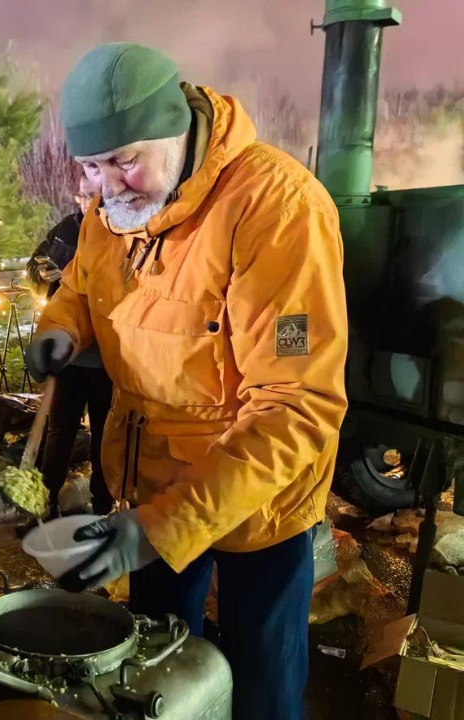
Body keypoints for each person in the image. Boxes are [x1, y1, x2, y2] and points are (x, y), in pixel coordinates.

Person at [26, 44, 347, 720]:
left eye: (126, 160)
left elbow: (295, 404)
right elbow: (82, 287)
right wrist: (60, 328)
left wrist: (158, 528)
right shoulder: (109, 211)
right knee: (155, 668)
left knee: (261, 675)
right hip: (151, 479)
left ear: (177, 125)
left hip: (258, 498)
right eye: (91, 166)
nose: (108, 185)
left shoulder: (277, 207)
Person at [25, 177, 112, 518]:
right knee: (59, 431)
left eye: (91, 194)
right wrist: (40, 275)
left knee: (106, 435)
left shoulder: (119, 230)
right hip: (68, 355)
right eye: (79, 194)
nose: (83, 201)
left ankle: (103, 505)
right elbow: (36, 264)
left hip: (106, 358)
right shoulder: (65, 229)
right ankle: (45, 504)